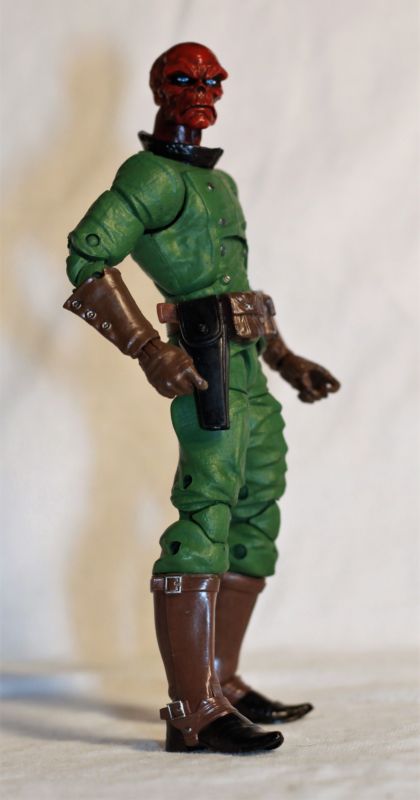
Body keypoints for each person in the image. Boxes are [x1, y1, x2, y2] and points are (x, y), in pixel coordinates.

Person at [64, 42, 340, 754]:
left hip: (249, 367)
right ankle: (192, 710)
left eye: (213, 80)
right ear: (160, 88)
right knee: (205, 514)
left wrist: (285, 357)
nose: (201, 91)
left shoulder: (220, 184)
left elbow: (238, 290)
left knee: (257, 506)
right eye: (185, 79)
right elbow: (87, 256)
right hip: (205, 369)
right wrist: (147, 348)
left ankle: (222, 681)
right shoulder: (150, 178)